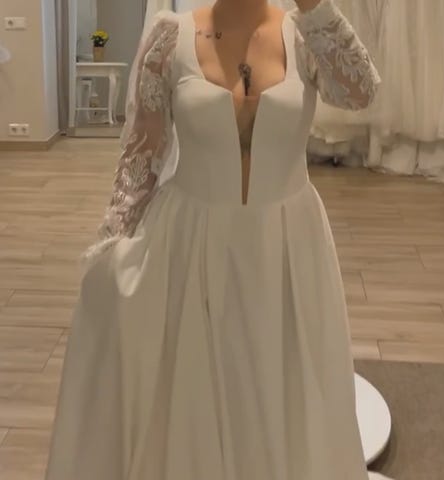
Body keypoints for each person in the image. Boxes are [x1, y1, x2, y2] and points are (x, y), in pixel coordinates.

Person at [45, 0, 381, 479]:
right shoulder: (170, 37)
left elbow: (361, 91)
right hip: (191, 242)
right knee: (197, 390)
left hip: (286, 246)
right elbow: (141, 157)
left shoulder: (304, 34)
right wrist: (111, 244)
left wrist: (312, 5)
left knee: (280, 385)